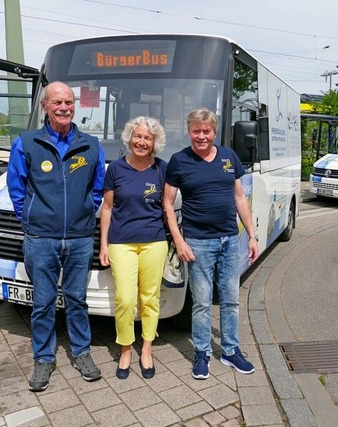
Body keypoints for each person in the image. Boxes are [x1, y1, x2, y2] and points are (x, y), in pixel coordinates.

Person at [7, 81, 106, 392]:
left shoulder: (91, 145)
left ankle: (81, 352)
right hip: (41, 239)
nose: (64, 107)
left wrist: (87, 210)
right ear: (45, 107)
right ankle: (44, 358)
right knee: (43, 302)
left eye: (69, 102)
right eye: (57, 102)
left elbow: (98, 187)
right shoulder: (25, 143)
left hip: (79, 238)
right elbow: (17, 190)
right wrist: (33, 220)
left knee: (78, 299)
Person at [163, 107, 259, 380]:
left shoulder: (229, 157)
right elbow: (167, 205)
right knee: (202, 303)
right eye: (196, 131)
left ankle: (230, 351)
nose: (201, 136)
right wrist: (179, 241)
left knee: (230, 300)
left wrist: (251, 236)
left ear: (214, 132)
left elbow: (240, 198)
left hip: (229, 240)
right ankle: (202, 353)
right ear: (189, 131)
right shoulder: (179, 161)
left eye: (206, 131)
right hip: (198, 243)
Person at [99, 116, 168, 380]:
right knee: (126, 299)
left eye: (147, 138)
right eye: (137, 136)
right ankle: (126, 348)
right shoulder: (115, 169)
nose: (141, 142)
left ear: (154, 143)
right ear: (130, 138)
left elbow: (168, 208)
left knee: (150, 298)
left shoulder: (162, 169)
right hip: (121, 242)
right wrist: (103, 244)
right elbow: (107, 208)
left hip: (154, 241)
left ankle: (147, 348)